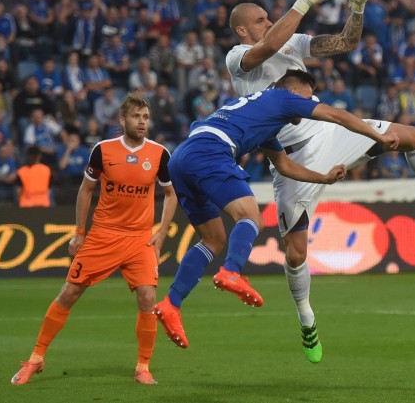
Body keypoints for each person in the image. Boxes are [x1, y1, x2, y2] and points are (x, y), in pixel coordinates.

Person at [224, 0, 415, 363]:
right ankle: (306, 317)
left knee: (412, 135)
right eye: (260, 19)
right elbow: (265, 49)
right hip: (291, 159)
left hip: (329, 131)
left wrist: (359, 6)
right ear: (243, 30)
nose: (268, 21)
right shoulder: (239, 56)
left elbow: (344, 43)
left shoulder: (291, 44)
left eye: (269, 16)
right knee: (296, 253)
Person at [153, 69, 399, 350]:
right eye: (308, 97)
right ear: (294, 92)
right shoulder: (283, 98)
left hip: (183, 157)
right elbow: (338, 116)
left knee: (213, 239)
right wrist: (378, 137)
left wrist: (325, 178)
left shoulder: (264, 117)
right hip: (210, 150)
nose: (310, 103)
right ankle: (231, 271)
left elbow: (284, 165)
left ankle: (171, 303)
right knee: (250, 216)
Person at [11, 95, 178, 386]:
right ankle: (36, 359)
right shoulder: (103, 150)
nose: (142, 122)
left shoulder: (160, 154)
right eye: (137, 116)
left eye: (146, 117)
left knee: (148, 297)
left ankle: (143, 367)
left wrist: (162, 231)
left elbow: (171, 194)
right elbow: (86, 190)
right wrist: (79, 232)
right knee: (68, 293)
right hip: (103, 235)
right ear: (122, 120)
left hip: (139, 239)